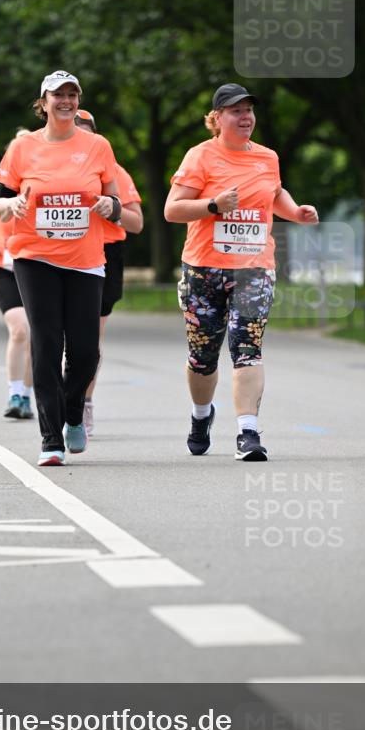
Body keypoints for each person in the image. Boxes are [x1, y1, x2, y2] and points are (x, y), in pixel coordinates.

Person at [164, 83, 319, 461]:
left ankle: (248, 433)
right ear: (217, 118)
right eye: (236, 111)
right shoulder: (200, 156)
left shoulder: (267, 157)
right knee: (202, 358)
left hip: (254, 269)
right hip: (204, 269)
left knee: (247, 349)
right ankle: (201, 415)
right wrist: (213, 206)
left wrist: (296, 211)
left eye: (249, 110)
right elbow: (172, 209)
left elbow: (274, 193)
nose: (246, 117)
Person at [0, 70, 120, 466]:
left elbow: (116, 202)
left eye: (72, 95)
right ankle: (51, 439)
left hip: (85, 260)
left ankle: (73, 411)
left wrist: (108, 206)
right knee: (46, 343)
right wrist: (12, 204)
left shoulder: (97, 146)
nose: (66, 101)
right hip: (35, 257)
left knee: (85, 351)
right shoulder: (23, 147)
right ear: (43, 103)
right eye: (58, 95)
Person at [74, 109, 143, 435]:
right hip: (64, 253)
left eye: (86, 131)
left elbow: (137, 223)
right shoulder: (50, 167)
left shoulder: (115, 172)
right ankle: (63, 399)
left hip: (105, 254)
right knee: (62, 337)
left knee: (89, 338)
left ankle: (83, 401)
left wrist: (112, 208)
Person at [0, 130, 34, 420]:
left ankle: (27, 395)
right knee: (20, 330)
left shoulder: (43, 182)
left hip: (36, 266)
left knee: (36, 335)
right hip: (5, 268)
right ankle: (14, 394)